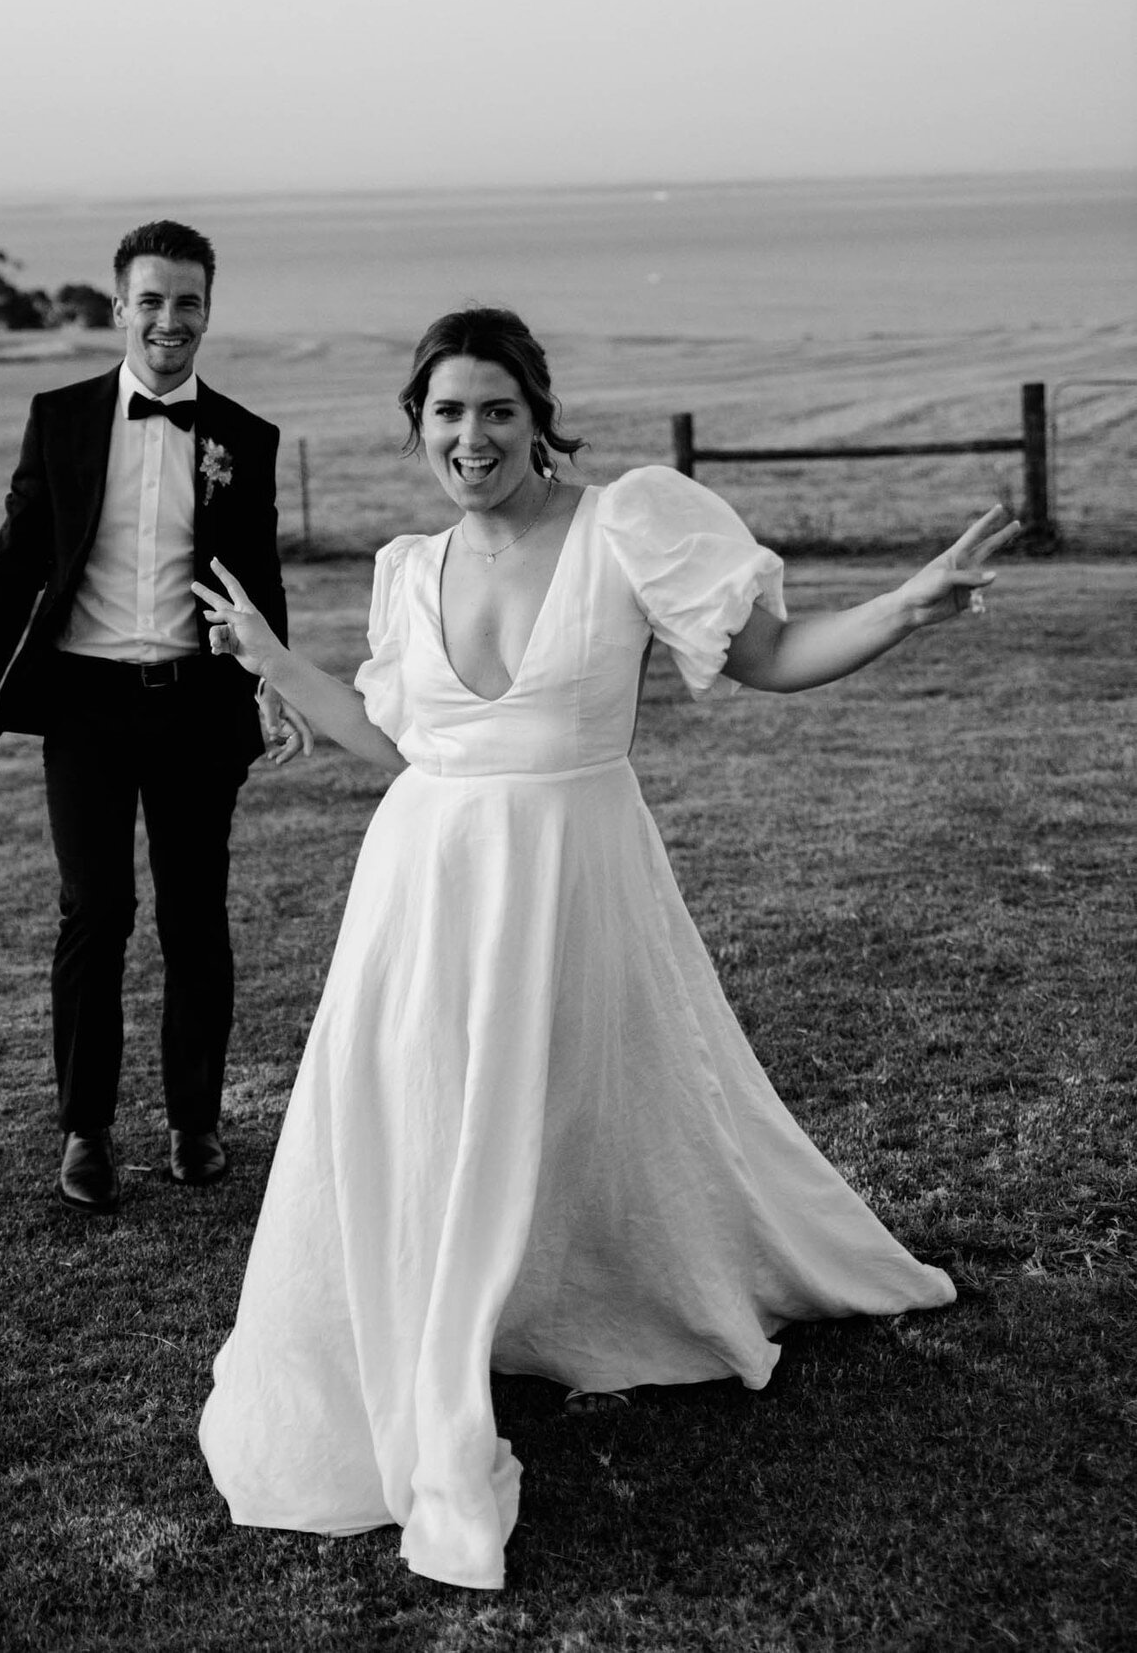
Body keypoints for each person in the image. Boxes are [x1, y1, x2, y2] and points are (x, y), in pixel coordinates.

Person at [193, 307, 1018, 1590]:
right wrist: (266, 661)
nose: (471, 437)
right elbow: (403, 745)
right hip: (422, 885)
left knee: (590, 1098)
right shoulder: (408, 567)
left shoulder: (628, 522)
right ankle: (436, 1330)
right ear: (417, 428)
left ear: (537, 414)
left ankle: (567, 1293)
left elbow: (769, 655)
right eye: (446, 414)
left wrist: (904, 607)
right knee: (422, 1113)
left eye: (496, 409)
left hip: (575, 868)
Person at [0, 220, 308, 1213]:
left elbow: (255, 577)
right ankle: (86, 1132)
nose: (168, 319)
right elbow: (17, 562)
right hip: (87, 709)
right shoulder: (58, 418)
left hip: (197, 709)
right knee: (94, 913)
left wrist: (275, 680)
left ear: (206, 311)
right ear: (119, 309)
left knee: (196, 922)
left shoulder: (244, 438)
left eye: (186, 301)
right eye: (150, 300)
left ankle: (194, 1123)